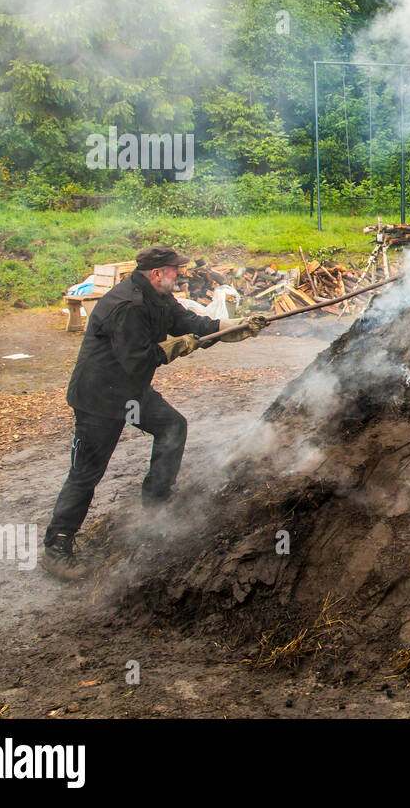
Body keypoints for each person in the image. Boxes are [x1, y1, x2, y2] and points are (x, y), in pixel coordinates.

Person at [40, 245, 267, 580]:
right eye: (175, 270)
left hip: (130, 393)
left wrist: (232, 327)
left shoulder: (157, 295)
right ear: (158, 273)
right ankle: (56, 546)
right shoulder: (127, 305)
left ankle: (156, 504)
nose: (181, 274)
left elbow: (187, 322)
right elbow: (138, 359)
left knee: (172, 427)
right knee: (87, 473)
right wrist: (180, 346)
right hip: (99, 399)